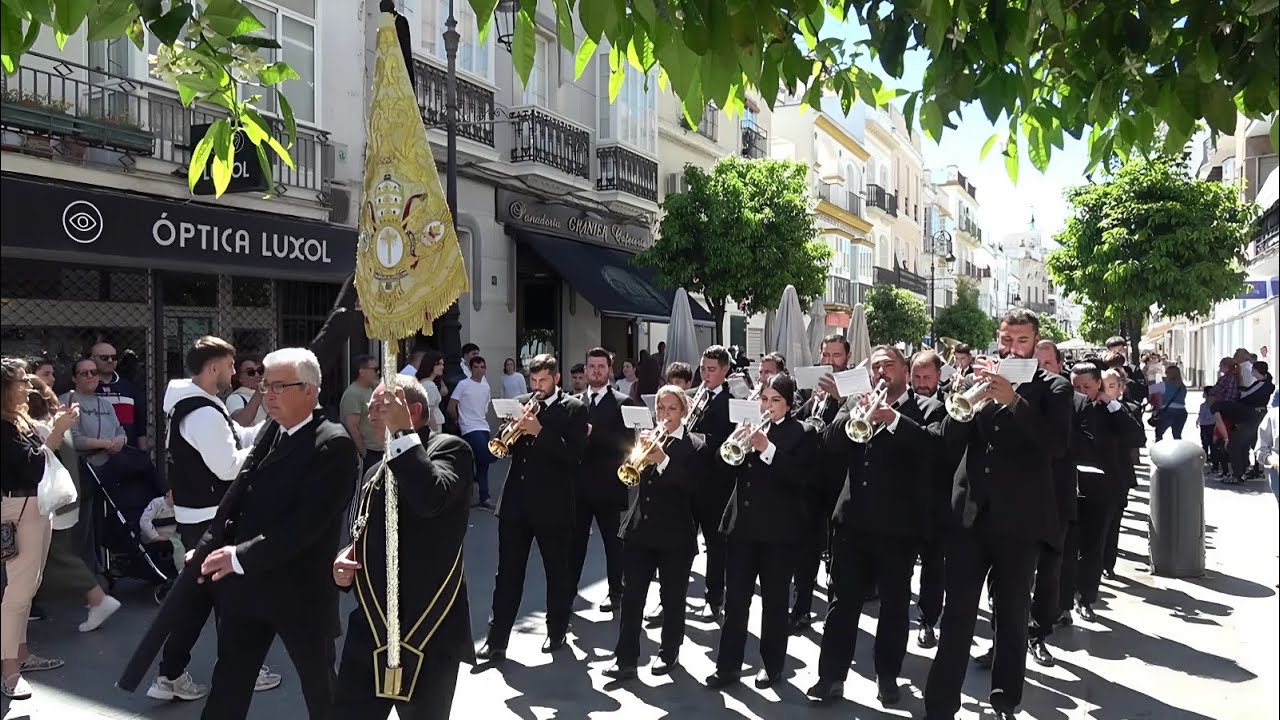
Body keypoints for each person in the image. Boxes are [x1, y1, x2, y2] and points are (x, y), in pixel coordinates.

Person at [195, 347, 360, 719]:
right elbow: (242, 502)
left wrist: (236, 556)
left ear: (311, 390)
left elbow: (305, 526)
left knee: (322, 691)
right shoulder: (271, 434)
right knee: (229, 686)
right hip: (248, 587)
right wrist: (214, 545)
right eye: (265, 385)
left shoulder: (332, 443)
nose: (268, 395)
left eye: (279, 387)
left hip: (299, 592)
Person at [924, 309, 1073, 720]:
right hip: (970, 515)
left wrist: (1015, 401)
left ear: (1035, 341)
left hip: (1020, 521)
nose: (1012, 348)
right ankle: (939, 705)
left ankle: (1005, 700)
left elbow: (1056, 446)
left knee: (1011, 616)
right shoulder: (976, 382)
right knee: (957, 614)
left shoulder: (1055, 388)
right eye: (1006, 340)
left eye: (1021, 341)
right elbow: (950, 442)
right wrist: (966, 397)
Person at [808, 346, 946, 705]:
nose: (882, 371)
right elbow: (828, 444)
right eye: (876, 366)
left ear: (905, 370)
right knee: (841, 605)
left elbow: (934, 448)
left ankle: (887, 676)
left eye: (889, 365)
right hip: (851, 522)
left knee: (895, 608)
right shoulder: (857, 402)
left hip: (898, 529)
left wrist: (893, 420)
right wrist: (852, 412)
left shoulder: (927, 408)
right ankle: (831, 677)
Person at [332, 376, 475, 718]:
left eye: (381, 407)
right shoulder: (375, 471)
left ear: (410, 411)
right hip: (371, 624)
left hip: (427, 627)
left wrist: (401, 435)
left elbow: (431, 498)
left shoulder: (450, 449)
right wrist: (344, 563)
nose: (371, 414)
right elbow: (363, 534)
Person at [151, 336, 276, 702]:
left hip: (201, 517)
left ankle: (170, 674)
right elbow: (227, 467)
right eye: (230, 365)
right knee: (233, 596)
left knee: (200, 599)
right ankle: (243, 670)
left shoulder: (199, 404)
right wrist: (262, 449)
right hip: (212, 519)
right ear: (213, 368)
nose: (235, 372)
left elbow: (237, 438)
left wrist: (269, 430)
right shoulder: (204, 411)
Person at [707, 373, 815, 689]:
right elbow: (721, 465)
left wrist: (767, 449)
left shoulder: (801, 433)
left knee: (775, 603)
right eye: (764, 399)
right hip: (741, 527)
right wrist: (734, 441)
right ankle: (727, 666)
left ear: (789, 403)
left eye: (775, 400)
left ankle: (771, 665)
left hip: (778, 532)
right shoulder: (748, 427)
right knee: (737, 601)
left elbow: (801, 478)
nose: (767, 406)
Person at [478, 354, 588, 661]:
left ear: (556, 379)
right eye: (533, 381)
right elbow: (502, 442)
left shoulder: (574, 409)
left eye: (543, 381)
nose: (537, 387)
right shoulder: (520, 402)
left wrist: (539, 431)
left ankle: (556, 631)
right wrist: (508, 432)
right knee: (508, 573)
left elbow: (575, 457)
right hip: (516, 503)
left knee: (557, 572)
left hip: (554, 504)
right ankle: (496, 638)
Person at [605, 385, 703, 679]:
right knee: (633, 598)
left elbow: (694, 488)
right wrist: (638, 454)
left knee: (672, 597)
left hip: (676, 534)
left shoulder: (695, 446)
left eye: (672, 409)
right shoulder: (647, 440)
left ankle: (668, 651)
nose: (665, 415)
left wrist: (664, 461)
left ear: (684, 412)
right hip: (640, 530)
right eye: (660, 408)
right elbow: (629, 476)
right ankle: (625, 659)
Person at [25, 379, 121, 634]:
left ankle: (97, 598)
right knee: (56, 553)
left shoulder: (46, 429)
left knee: (57, 555)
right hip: (63, 501)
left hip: (50, 504)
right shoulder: (59, 424)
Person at [1, 359, 73, 700]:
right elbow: (32, 466)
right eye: (20, 383)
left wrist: (55, 428)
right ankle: (9, 670)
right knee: (18, 590)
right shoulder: (3, 427)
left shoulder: (20, 421)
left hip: (34, 507)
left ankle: (22, 654)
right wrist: (57, 432)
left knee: (29, 585)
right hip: (18, 508)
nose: (28, 388)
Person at [789, 335, 849, 631]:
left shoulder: (855, 385)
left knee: (838, 547)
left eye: (835, 355)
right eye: (825, 354)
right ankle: (800, 608)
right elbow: (795, 419)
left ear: (846, 358)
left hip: (839, 475)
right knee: (807, 545)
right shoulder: (808, 384)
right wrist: (814, 399)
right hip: (810, 476)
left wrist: (840, 399)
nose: (829, 360)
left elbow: (854, 429)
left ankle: (836, 613)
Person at [569, 348, 635, 612]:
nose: (596, 371)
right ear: (585, 370)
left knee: (613, 544)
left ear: (609, 370)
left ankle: (616, 593)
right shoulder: (573, 402)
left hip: (609, 485)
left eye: (601, 367)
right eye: (591, 366)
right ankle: (568, 592)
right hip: (578, 486)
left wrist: (593, 434)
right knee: (575, 544)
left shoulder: (623, 402)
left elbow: (628, 443)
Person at [689, 346, 736, 622]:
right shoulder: (694, 396)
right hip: (688, 479)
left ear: (725, 370)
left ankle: (714, 597)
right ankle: (669, 599)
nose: (705, 374)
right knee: (680, 542)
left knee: (715, 545)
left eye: (711, 370)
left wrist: (697, 438)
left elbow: (727, 442)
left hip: (715, 482)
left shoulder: (731, 401)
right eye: (703, 369)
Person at [449, 355, 494, 510]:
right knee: (486, 456)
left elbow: (485, 407)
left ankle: (484, 496)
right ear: (471, 368)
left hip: (483, 426)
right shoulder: (463, 384)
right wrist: (458, 421)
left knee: (483, 464)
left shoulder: (486, 387)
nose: (479, 370)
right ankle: (473, 490)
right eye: (476, 367)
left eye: (482, 367)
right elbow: (451, 406)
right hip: (469, 427)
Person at [90, 341, 148, 449]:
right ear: (92, 359)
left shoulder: (130, 388)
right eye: (104, 357)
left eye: (114, 357)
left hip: (127, 452)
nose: (110, 361)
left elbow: (140, 427)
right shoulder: (85, 389)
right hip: (93, 454)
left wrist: (142, 453)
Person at [341, 354, 385, 470]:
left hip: (381, 450)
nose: (378, 372)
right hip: (369, 453)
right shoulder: (352, 394)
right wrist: (364, 453)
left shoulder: (373, 388)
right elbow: (352, 427)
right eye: (375, 369)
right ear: (362, 372)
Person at [225, 357, 268, 427]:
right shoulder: (235, 398)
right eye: (251, 372)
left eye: (260, 371)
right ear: (239, 377)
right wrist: (258, 393)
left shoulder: (270, 394)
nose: (257, 375)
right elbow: (240, 422)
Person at [414, 351, 448, 433]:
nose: (442, 367)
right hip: (433, 428)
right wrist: (435, 433)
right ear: (431, 364)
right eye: (439, 364)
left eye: (442, 364)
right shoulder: (430, 386)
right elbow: (430, 413)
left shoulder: (422, 383)